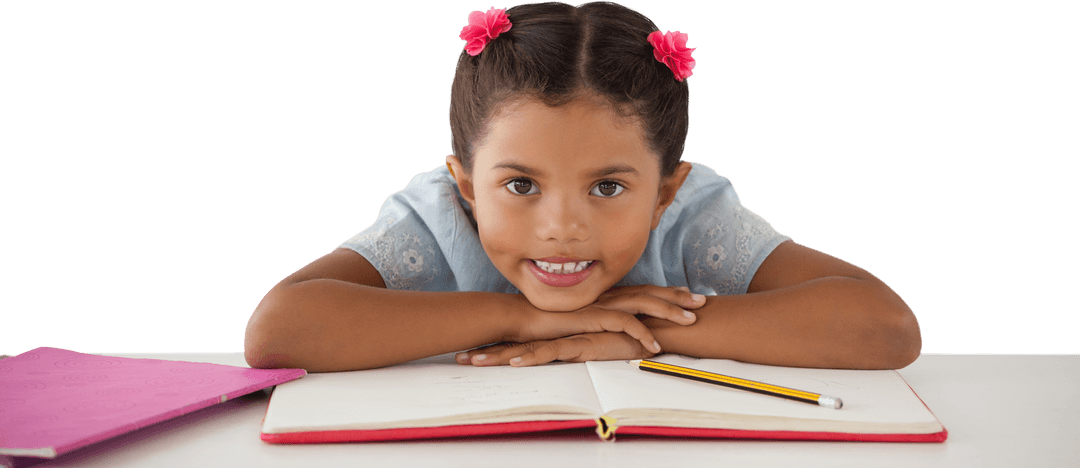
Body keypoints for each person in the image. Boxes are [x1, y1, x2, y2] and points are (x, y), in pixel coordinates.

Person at [243, 1, 921, 373]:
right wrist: (523, 318)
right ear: (467, 186)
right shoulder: (437, 214)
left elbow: (885, 327)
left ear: (664, 194)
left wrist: (643, 331)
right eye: (520, 185)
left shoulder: (691, 215)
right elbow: (277, 331)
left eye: (607, 188)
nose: (562, 227)